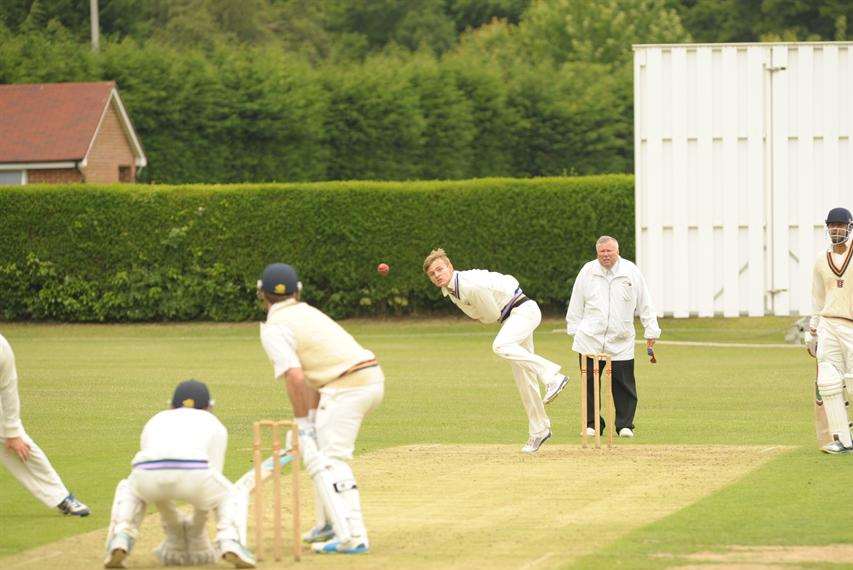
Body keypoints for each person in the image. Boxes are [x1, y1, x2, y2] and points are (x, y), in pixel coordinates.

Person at [257, 263, 383, 554]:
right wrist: (312, 420)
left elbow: (296, 377)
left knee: (330, 458)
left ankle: (353, 535)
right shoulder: (307, 312)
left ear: (261, 294)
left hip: (349, 386)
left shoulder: (274, 327)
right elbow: (314, 372)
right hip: (367, 377)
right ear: (297, 291)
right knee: (321, 447)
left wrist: (302, 423)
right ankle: (328, 523)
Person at [423, 249, 569, 453]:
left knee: (500, 345)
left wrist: (482, 316)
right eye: (432, 274)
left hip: (523, 311)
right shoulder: (450, 290)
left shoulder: (468, 284)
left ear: (450, 267)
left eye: (440, 269)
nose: (437, 275)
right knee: (523, 377)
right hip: (513, 317)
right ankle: (539, 430)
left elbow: (490, 316)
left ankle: (552, 375)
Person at [103, 379, 255, 569]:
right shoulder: (213, 423)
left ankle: (121, 535)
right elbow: (213, 475)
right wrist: (196, 529)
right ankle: (229, 539)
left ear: (171, 405)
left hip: (148, 472)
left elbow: (158, 474)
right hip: (195, 472)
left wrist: (173, 524)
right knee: (230, 493)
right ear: (209, 406)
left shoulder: (156, 419)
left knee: (129, 488)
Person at [565, 236, 660, 438]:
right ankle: (591, 424)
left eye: (609, 251)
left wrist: (651, 330)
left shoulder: (631, 272)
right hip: (590, 339)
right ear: (597, 253)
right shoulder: (588, 272)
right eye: (602, 252)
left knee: (623, 383)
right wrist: (574, 330)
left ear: (617, 251)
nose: (606, 255)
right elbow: (576, 302)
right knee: (589, 383)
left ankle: (625, 425)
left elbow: (645, 302)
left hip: (621, 338)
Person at [0, 332, 90, 517]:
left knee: (22, 446)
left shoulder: (2, 348)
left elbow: (8, 388)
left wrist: (12, 432)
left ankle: (62, 497)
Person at [807, 206, 853, 454]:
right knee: (827, 381)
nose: (837, 229)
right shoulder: (820, 261)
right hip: (828, 325)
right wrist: (812, 329)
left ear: (849, 227)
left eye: (841, 225)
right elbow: (817, 298)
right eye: (832, 226)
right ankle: (843, 440)